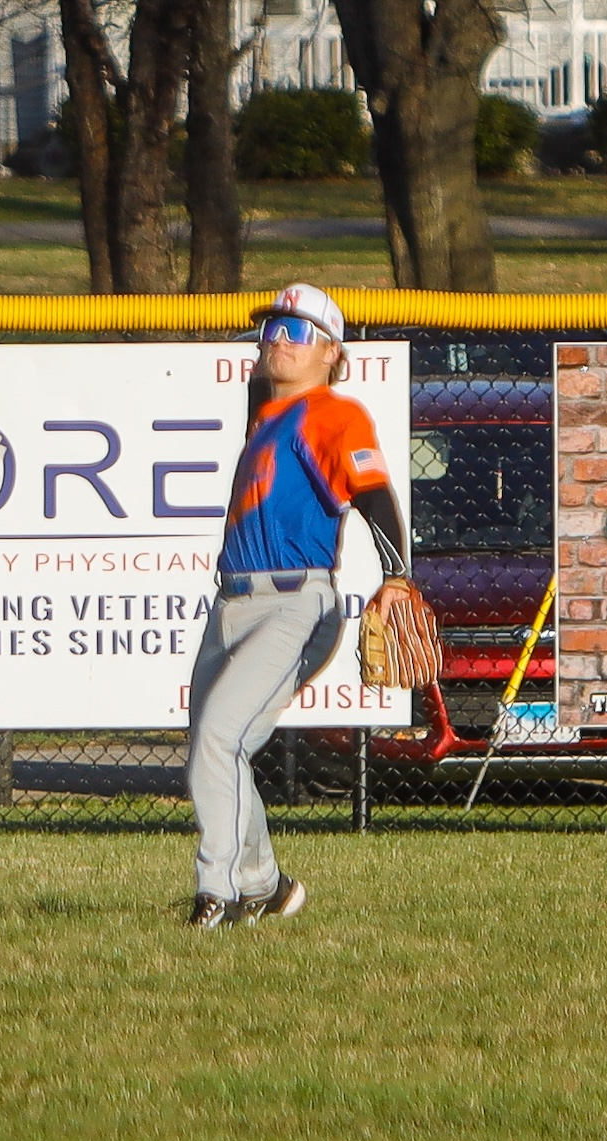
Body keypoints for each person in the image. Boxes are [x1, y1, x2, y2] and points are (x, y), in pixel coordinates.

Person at [186, 283, 408, 928]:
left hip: (294, 604)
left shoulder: (335, 414)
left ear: (332, 352)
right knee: (214, 750)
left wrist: (398, 578)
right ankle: (266, 885)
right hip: (231, 601)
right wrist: (264, 377)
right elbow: (261, 385)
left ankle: (217, 894)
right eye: (272, 328)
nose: (279, 339)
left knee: (220, 739)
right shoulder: (267, 413)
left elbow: (374, 493)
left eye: (297, 331)